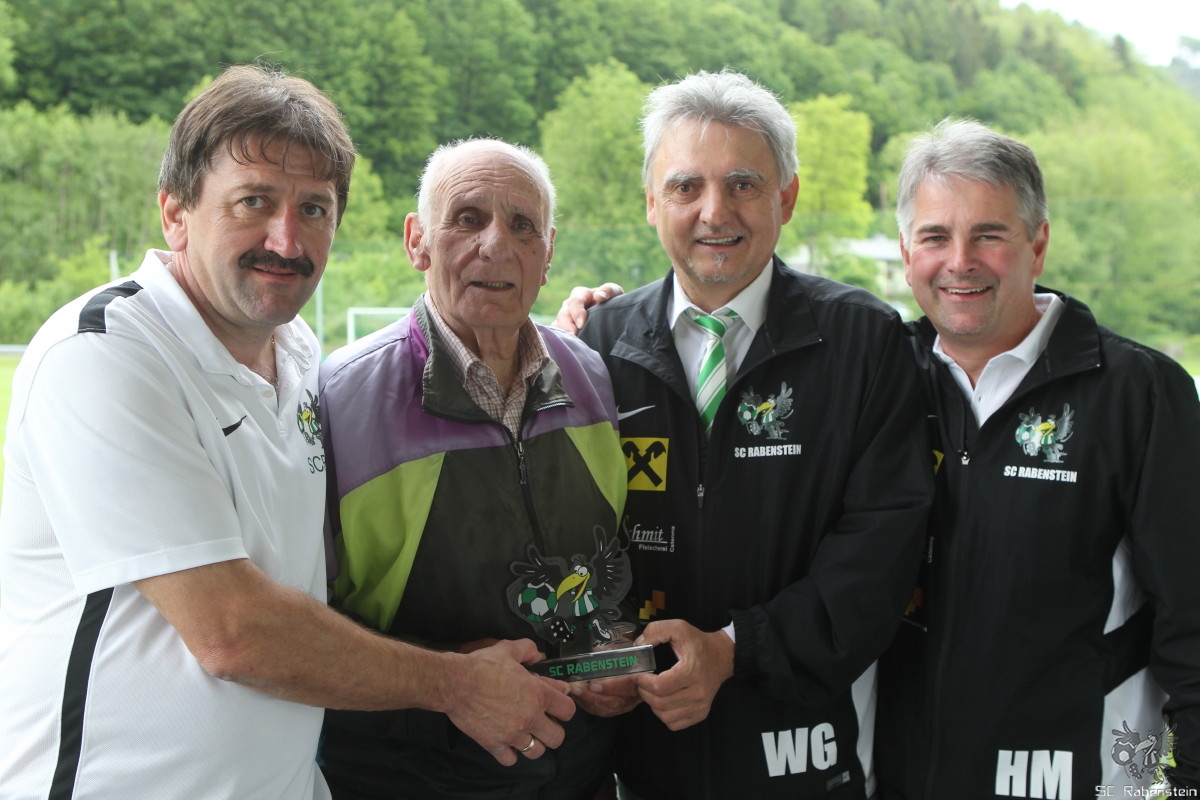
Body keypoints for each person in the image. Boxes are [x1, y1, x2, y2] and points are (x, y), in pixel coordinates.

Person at [0, 65, 576, 800]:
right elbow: (232, 632)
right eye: (254, 202)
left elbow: (308, 593)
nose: (286, 238)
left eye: (314, 209)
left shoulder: (301, 357)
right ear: (176, 213)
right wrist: (454, 683)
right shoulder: (106, 353)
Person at [555, 69, 932, 799]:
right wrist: (598, 650)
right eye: (685, 186)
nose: (714, 211)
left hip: (804, 754)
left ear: (786, 197)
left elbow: (882, 550)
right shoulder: (595, 345)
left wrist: (734, 650)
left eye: (743, 184)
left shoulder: (863, 340)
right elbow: (567, 535)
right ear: (651, 202)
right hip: (638, 751)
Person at [874, 118, 1200, 798]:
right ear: (906, 253)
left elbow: (1191, 616)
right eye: (935, 237)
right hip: (901, 779)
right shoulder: (878, 379)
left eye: (989, 235)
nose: (960, 260)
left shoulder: (1140, 393)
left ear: (1039, 244)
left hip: (1085, 778)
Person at [317, 138, 631, 799]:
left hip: (581, 774)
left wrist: (615, 650)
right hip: (409, 779)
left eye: (522, 226)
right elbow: (298, 625)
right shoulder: (338, 401)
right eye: (468, 218)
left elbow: (612, 565)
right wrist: (445, 676)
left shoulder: (593, 378)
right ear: (417, 242)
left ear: (548, 254)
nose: (496, 245)